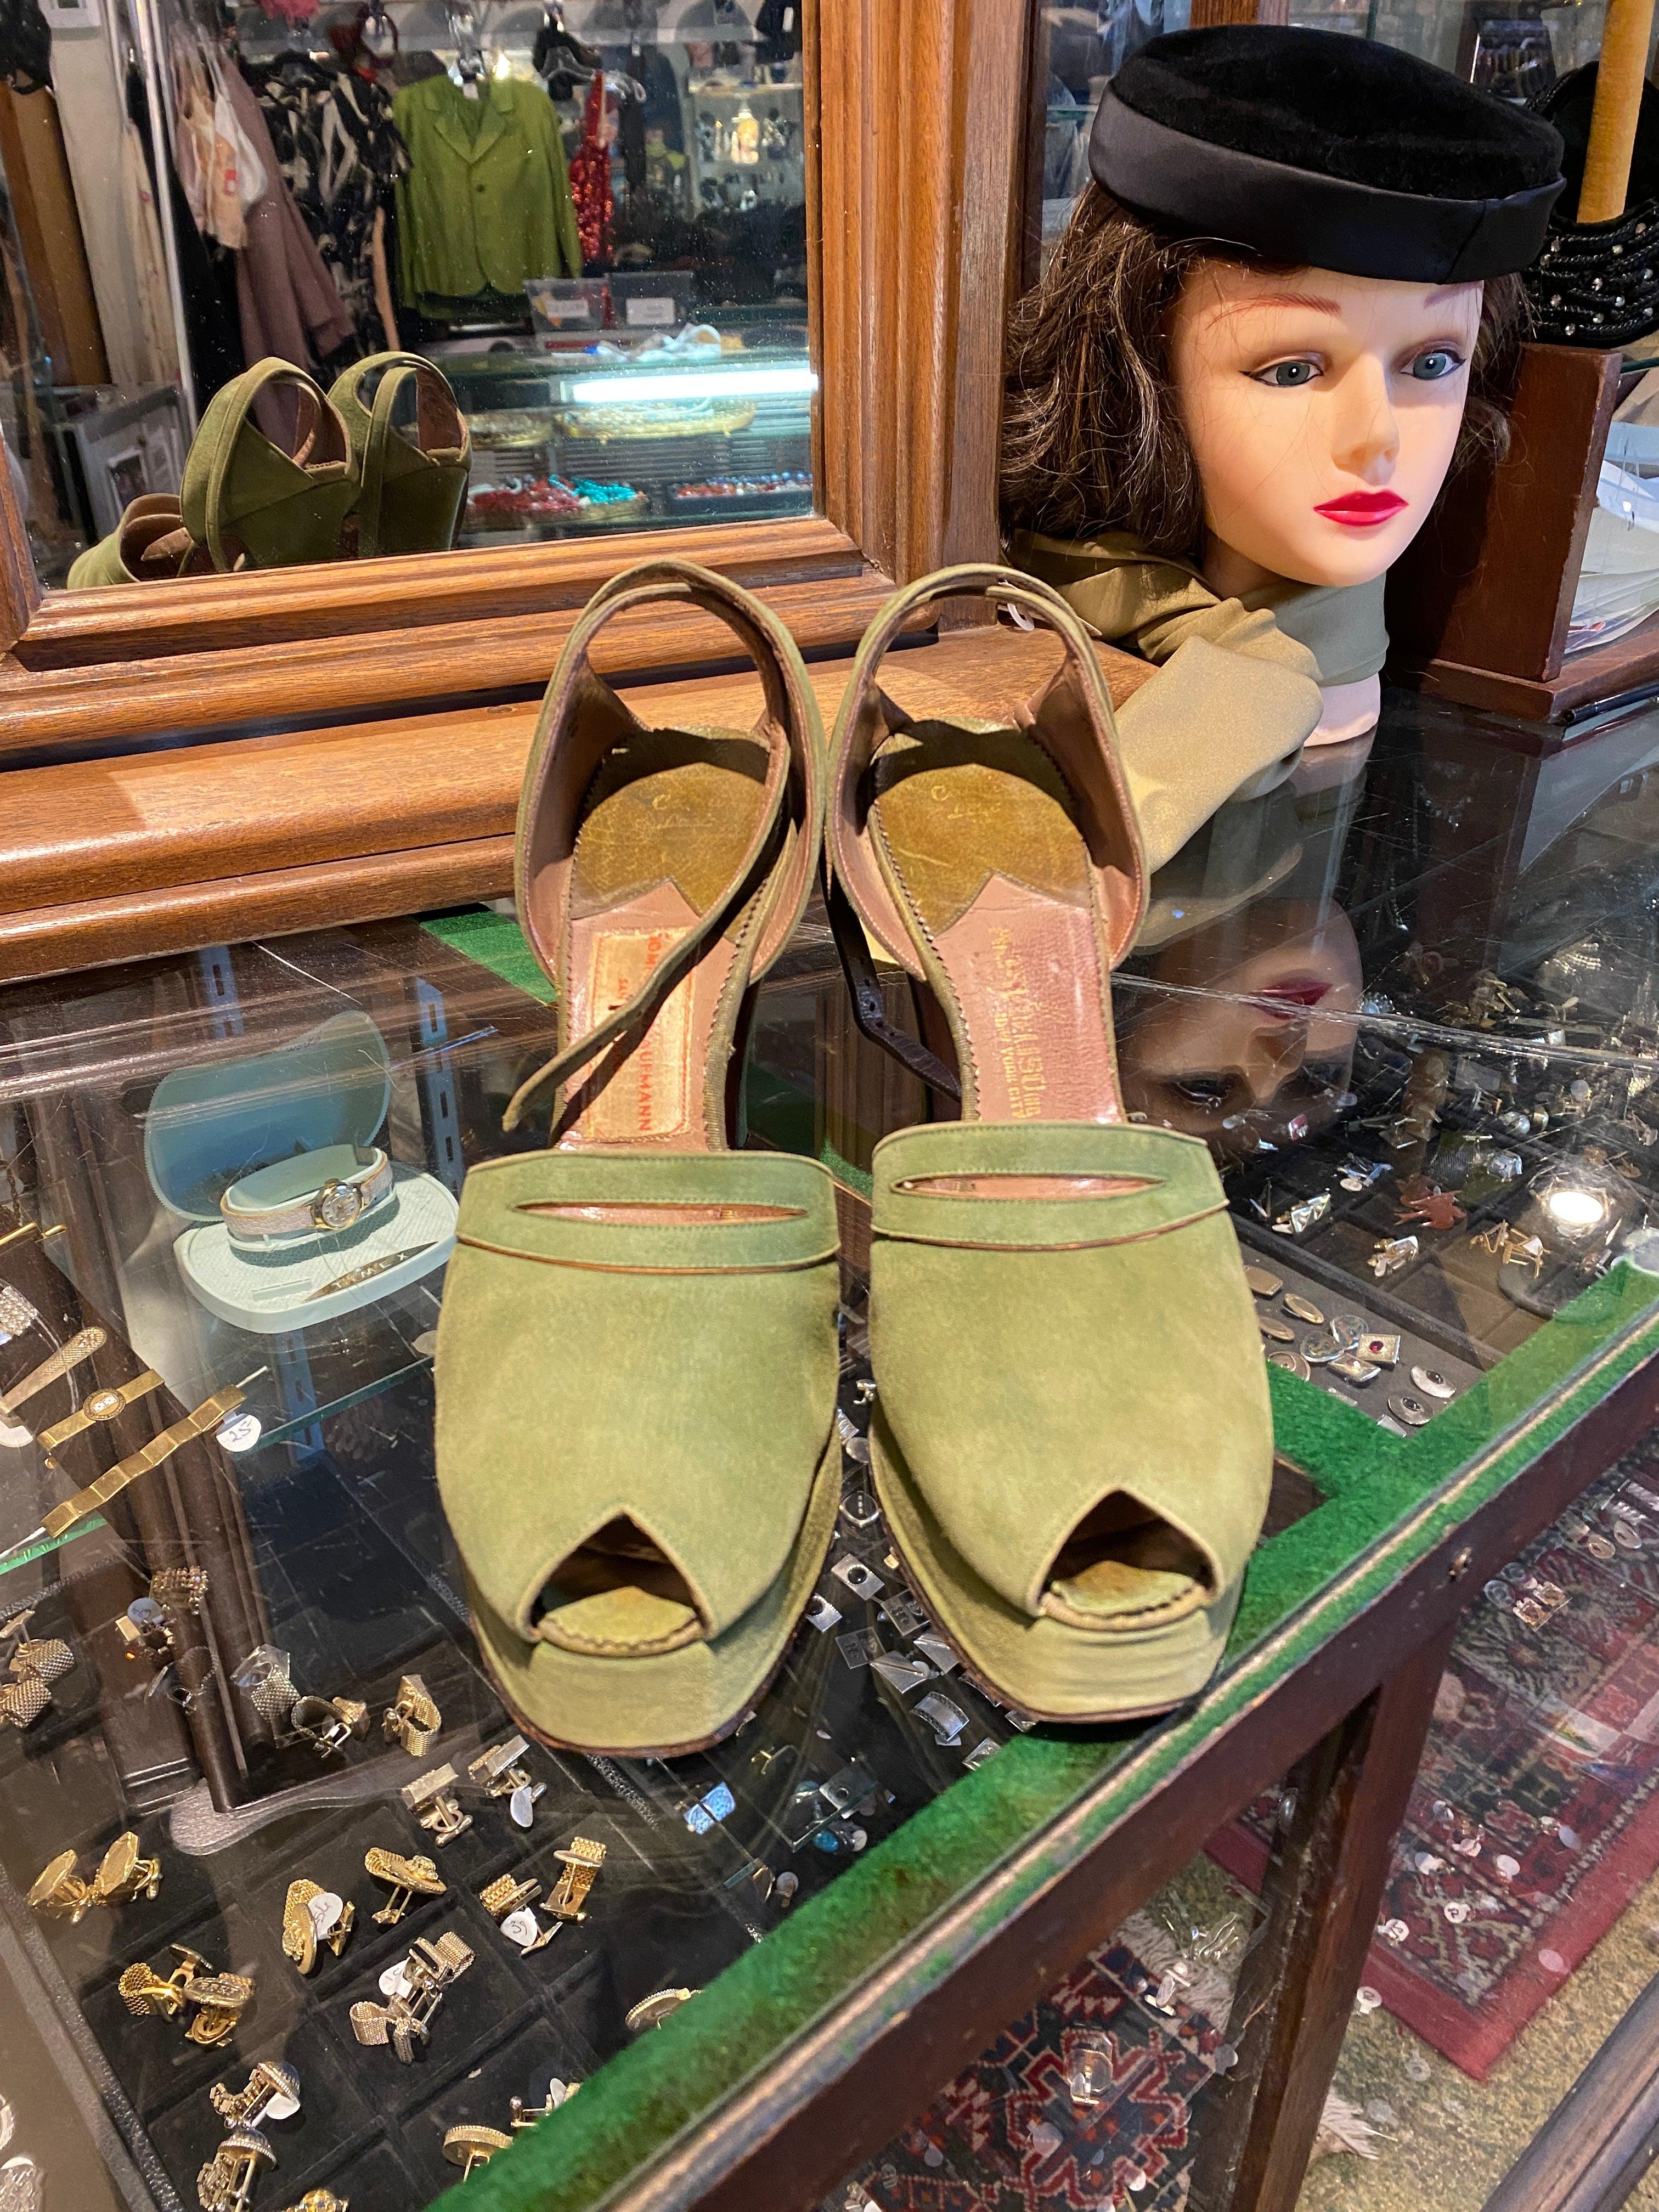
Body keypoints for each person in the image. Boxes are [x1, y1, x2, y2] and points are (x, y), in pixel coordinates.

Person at [1003, 25, 1565, 825]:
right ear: (1141, 370)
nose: (1378, 438)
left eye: (1434, 362)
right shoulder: (1039, 597)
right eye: (1294, 369)